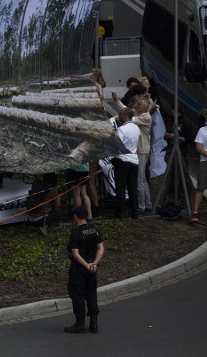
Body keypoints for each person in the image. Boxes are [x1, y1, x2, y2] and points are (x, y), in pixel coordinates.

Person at [65, 205, 104, 333]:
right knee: (91, 294)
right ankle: (94, 324)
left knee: (77, 295)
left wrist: (86, 265)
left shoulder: (76, 233)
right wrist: (94, 263)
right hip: (92, 268)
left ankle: (80, 323)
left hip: (79, 269)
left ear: (76, 216)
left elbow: (75, 254)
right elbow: (100, 248)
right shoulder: (93, 230)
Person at [110, 107, 140, 219]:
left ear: (126, 115)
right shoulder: (136, 128)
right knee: (132, 187)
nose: (119, 116)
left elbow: (116, 144)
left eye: (121, 114)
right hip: (134, 159)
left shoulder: (122, 129)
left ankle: (120, 213)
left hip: (122, 160)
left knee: (121, 188)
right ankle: (134, 212)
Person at [191, 119, 207, 222]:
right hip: (205, 161)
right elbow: (199, 147)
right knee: (200, 187)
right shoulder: (202, 130)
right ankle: (195, 212)